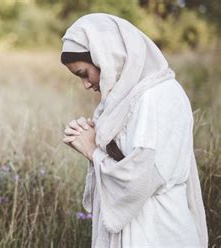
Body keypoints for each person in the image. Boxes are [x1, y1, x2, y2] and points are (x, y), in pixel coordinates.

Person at [60, 13, 208, 247]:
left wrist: (91, 150)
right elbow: (130, 158)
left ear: (106, 57)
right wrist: (93, 136)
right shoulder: (128, 99)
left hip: (158, 232)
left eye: (84, 74)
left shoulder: (156, 97)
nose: (86, 84)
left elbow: (139, 180)